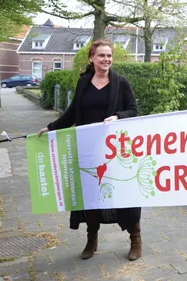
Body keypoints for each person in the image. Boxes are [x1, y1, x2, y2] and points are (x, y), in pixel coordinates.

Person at [38, 39, 140, 261]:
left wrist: (117, 116)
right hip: (88, 149)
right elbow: (74, 111)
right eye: (102, 55)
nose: (106, 59)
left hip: (114, 151)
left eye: (109, 56)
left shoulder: (121, 82)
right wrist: (52, 127)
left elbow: (133, 110)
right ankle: (91, 239)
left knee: (124, 194)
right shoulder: (84, 82)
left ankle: (135, 238)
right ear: (92, 58)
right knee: (90, 196)